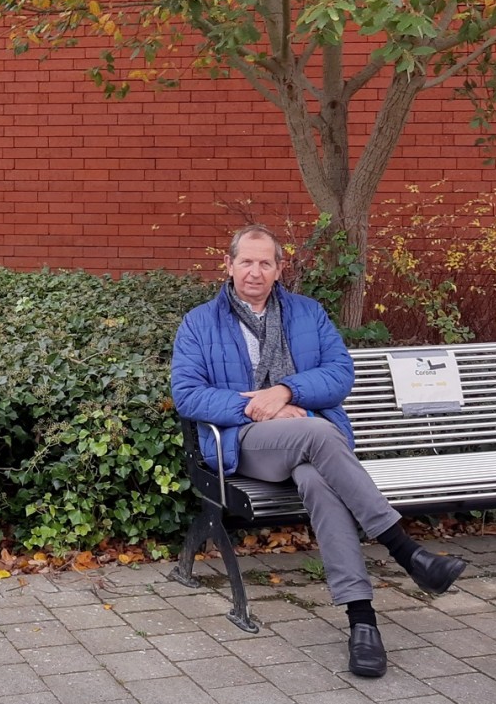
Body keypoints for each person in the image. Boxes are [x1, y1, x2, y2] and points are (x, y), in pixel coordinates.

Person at [170, 224, 465, 678]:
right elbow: (188, 395)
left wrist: (287, 391)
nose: (254, 271)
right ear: (227, 266)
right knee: (322, 432)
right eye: (245, 261)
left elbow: (340, 374)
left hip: (305, 440)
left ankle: (362, 620)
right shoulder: (199, 322)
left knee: (318, 478)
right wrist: (258, 408)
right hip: (241, 442)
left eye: (265, 262)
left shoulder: (307, 313)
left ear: (279, 268)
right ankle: (405, 550)